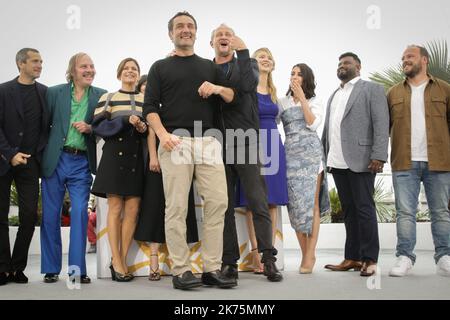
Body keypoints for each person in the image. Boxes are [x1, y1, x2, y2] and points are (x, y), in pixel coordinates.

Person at [143, 11, 237, 290]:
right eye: (180, 26)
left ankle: (211, 269)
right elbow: (149, 108)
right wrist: (162, 135)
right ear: (171, 33)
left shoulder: (210, 67)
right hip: (174, 141)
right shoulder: (160, 67)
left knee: (218, 203)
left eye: (190, 26)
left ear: (196, 33)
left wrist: (217, 86)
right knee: (177, 208)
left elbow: (232, 95)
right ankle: (181, 270)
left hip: (208, 142)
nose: (185, 30)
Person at [209, 24, 282, 282]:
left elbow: (248, 85)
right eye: (219, 34)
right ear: (212, 43)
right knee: (225, 205)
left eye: (228, 34)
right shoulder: (207, 69)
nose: (224, 37)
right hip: (217, 144)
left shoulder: (247, 64)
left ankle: (268, 259)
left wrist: (243, 51)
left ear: (235, 40)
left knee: (257, 200)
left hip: (246, 141)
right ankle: (229, 263)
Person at [40, 52, 106, 284]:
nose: (89, 70)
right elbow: (43, 126)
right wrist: (42, 155)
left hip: (81, 162)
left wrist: (90, 128)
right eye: (83, 66)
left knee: (79, 212)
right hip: (55, 160)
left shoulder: (101, 95)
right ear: (73, 70)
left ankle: (77, 270)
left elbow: (106, 127)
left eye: (92, 65)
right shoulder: (54, 93)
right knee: (50, 215)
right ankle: (50, 268)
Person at [322, 52, 389, 276]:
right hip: (337, 161)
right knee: (349, 210)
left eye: (347, 63)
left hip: (362, 160)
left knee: (364, 209)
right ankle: (352, 257)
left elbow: (381, 123)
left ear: (358, 67)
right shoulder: (334, 94)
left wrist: (379, 155)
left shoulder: (371, 89)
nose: (342, 66)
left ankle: (370, 259)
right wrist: (326, 156)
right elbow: (330, 128)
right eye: (339, 63)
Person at [387, 45, 450, 277]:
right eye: (403, 58)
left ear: (424, 60)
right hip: (404, 162)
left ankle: (444, 258)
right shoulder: (393, 93)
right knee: (405, 212)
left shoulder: (444, 90)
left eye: (410, 57)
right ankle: (404, 257)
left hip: (440, 162)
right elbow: (385, 128)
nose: (405, 60)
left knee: (441, 212)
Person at [134, 79, 199, 282]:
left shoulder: (175, 103)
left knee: (181, 208)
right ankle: (154, 260)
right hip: (159, 161)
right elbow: (152, 133)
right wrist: (153, 157)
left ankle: (178, 260)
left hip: (181, 159)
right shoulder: (154, 106)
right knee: (155, 207)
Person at [91, 58, 147, 282]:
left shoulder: (146, 99)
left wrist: (142, 127)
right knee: (115, 208)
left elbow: (151, 127)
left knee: (133, 210)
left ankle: (119, 261)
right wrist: (124, 121)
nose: (130, 72)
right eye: (126, 68)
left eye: (134, 69)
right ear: (119, 73)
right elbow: (98, 126)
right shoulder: (109, 97)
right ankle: (117, 261)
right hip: (114, 156)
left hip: (136, 157)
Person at [235, 47, 288, 273]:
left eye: (268, 57)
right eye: (260, 57)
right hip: (251, 143)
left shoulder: (276, 93)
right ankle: (257, 253)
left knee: (272, 201)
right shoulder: (247, 89)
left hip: (274, 145)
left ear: (273, 64)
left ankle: (270, 255)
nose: (265, 60)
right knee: (251, 201)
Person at [0, 48, 48, 285]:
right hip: (3, 162)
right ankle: (2, 268)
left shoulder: (45, 93)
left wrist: (36, 153)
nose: (40, 65)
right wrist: (10, 154)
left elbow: (46, 128)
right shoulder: (3, 90)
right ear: (21, 63)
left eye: (41, 61)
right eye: (35, 61)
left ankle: (18, 267)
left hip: (31, 163)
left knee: (29, 216)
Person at [278, 63, 330, 274]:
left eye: (299, 74)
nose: (295, 76)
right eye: (292, 73)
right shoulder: (281, 101)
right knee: (296, 206)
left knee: (312, 205)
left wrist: (302, 98)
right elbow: (270, 121)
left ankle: (309, 255)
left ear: (306, 78)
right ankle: (306, 252)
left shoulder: (315, 101)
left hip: (311, 155)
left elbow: (312, 124)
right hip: (290, 154)